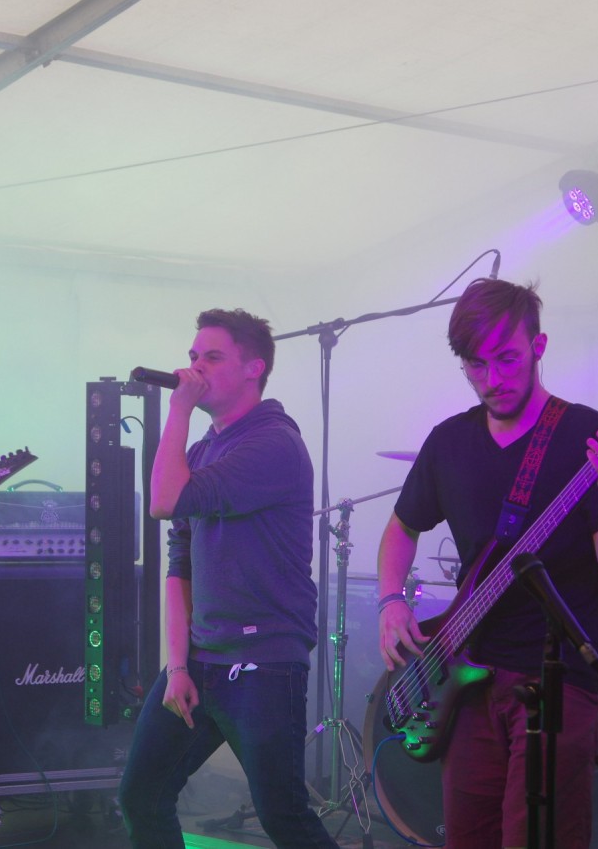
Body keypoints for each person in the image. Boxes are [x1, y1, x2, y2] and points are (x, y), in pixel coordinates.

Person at [376, 279, 598, 849]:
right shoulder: (449, 442)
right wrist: (391, 600)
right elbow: (401, 528)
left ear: (538, 346)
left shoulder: (587, 434)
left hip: (557, 679)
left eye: (507, 359)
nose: (493, 379)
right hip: (469, 676)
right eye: (476, 365)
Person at [118, 308, 339, 849]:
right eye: (193, 356)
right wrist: (177, 665)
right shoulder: (199, 452)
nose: (195, 368)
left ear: (253, 368)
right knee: (141, 795)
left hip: (264, 658)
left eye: (212, 357)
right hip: (202, 658)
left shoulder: (273, 443)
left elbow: (164, 501)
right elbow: (180, 566)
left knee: (284, 817)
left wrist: (178, 409)